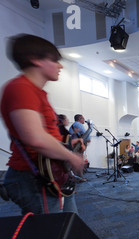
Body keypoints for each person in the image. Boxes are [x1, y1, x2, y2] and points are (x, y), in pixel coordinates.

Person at [0, 34, 84, 215]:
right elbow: (35, 139)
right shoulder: (21, 88)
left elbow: (47, 135)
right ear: (35, 60)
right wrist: (70, 157)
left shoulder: (37, 92)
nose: (60, 66)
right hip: (33, 177)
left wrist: (69, 144)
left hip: (50, 173)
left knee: (68, 226)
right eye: (54, 60)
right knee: (48, 237)